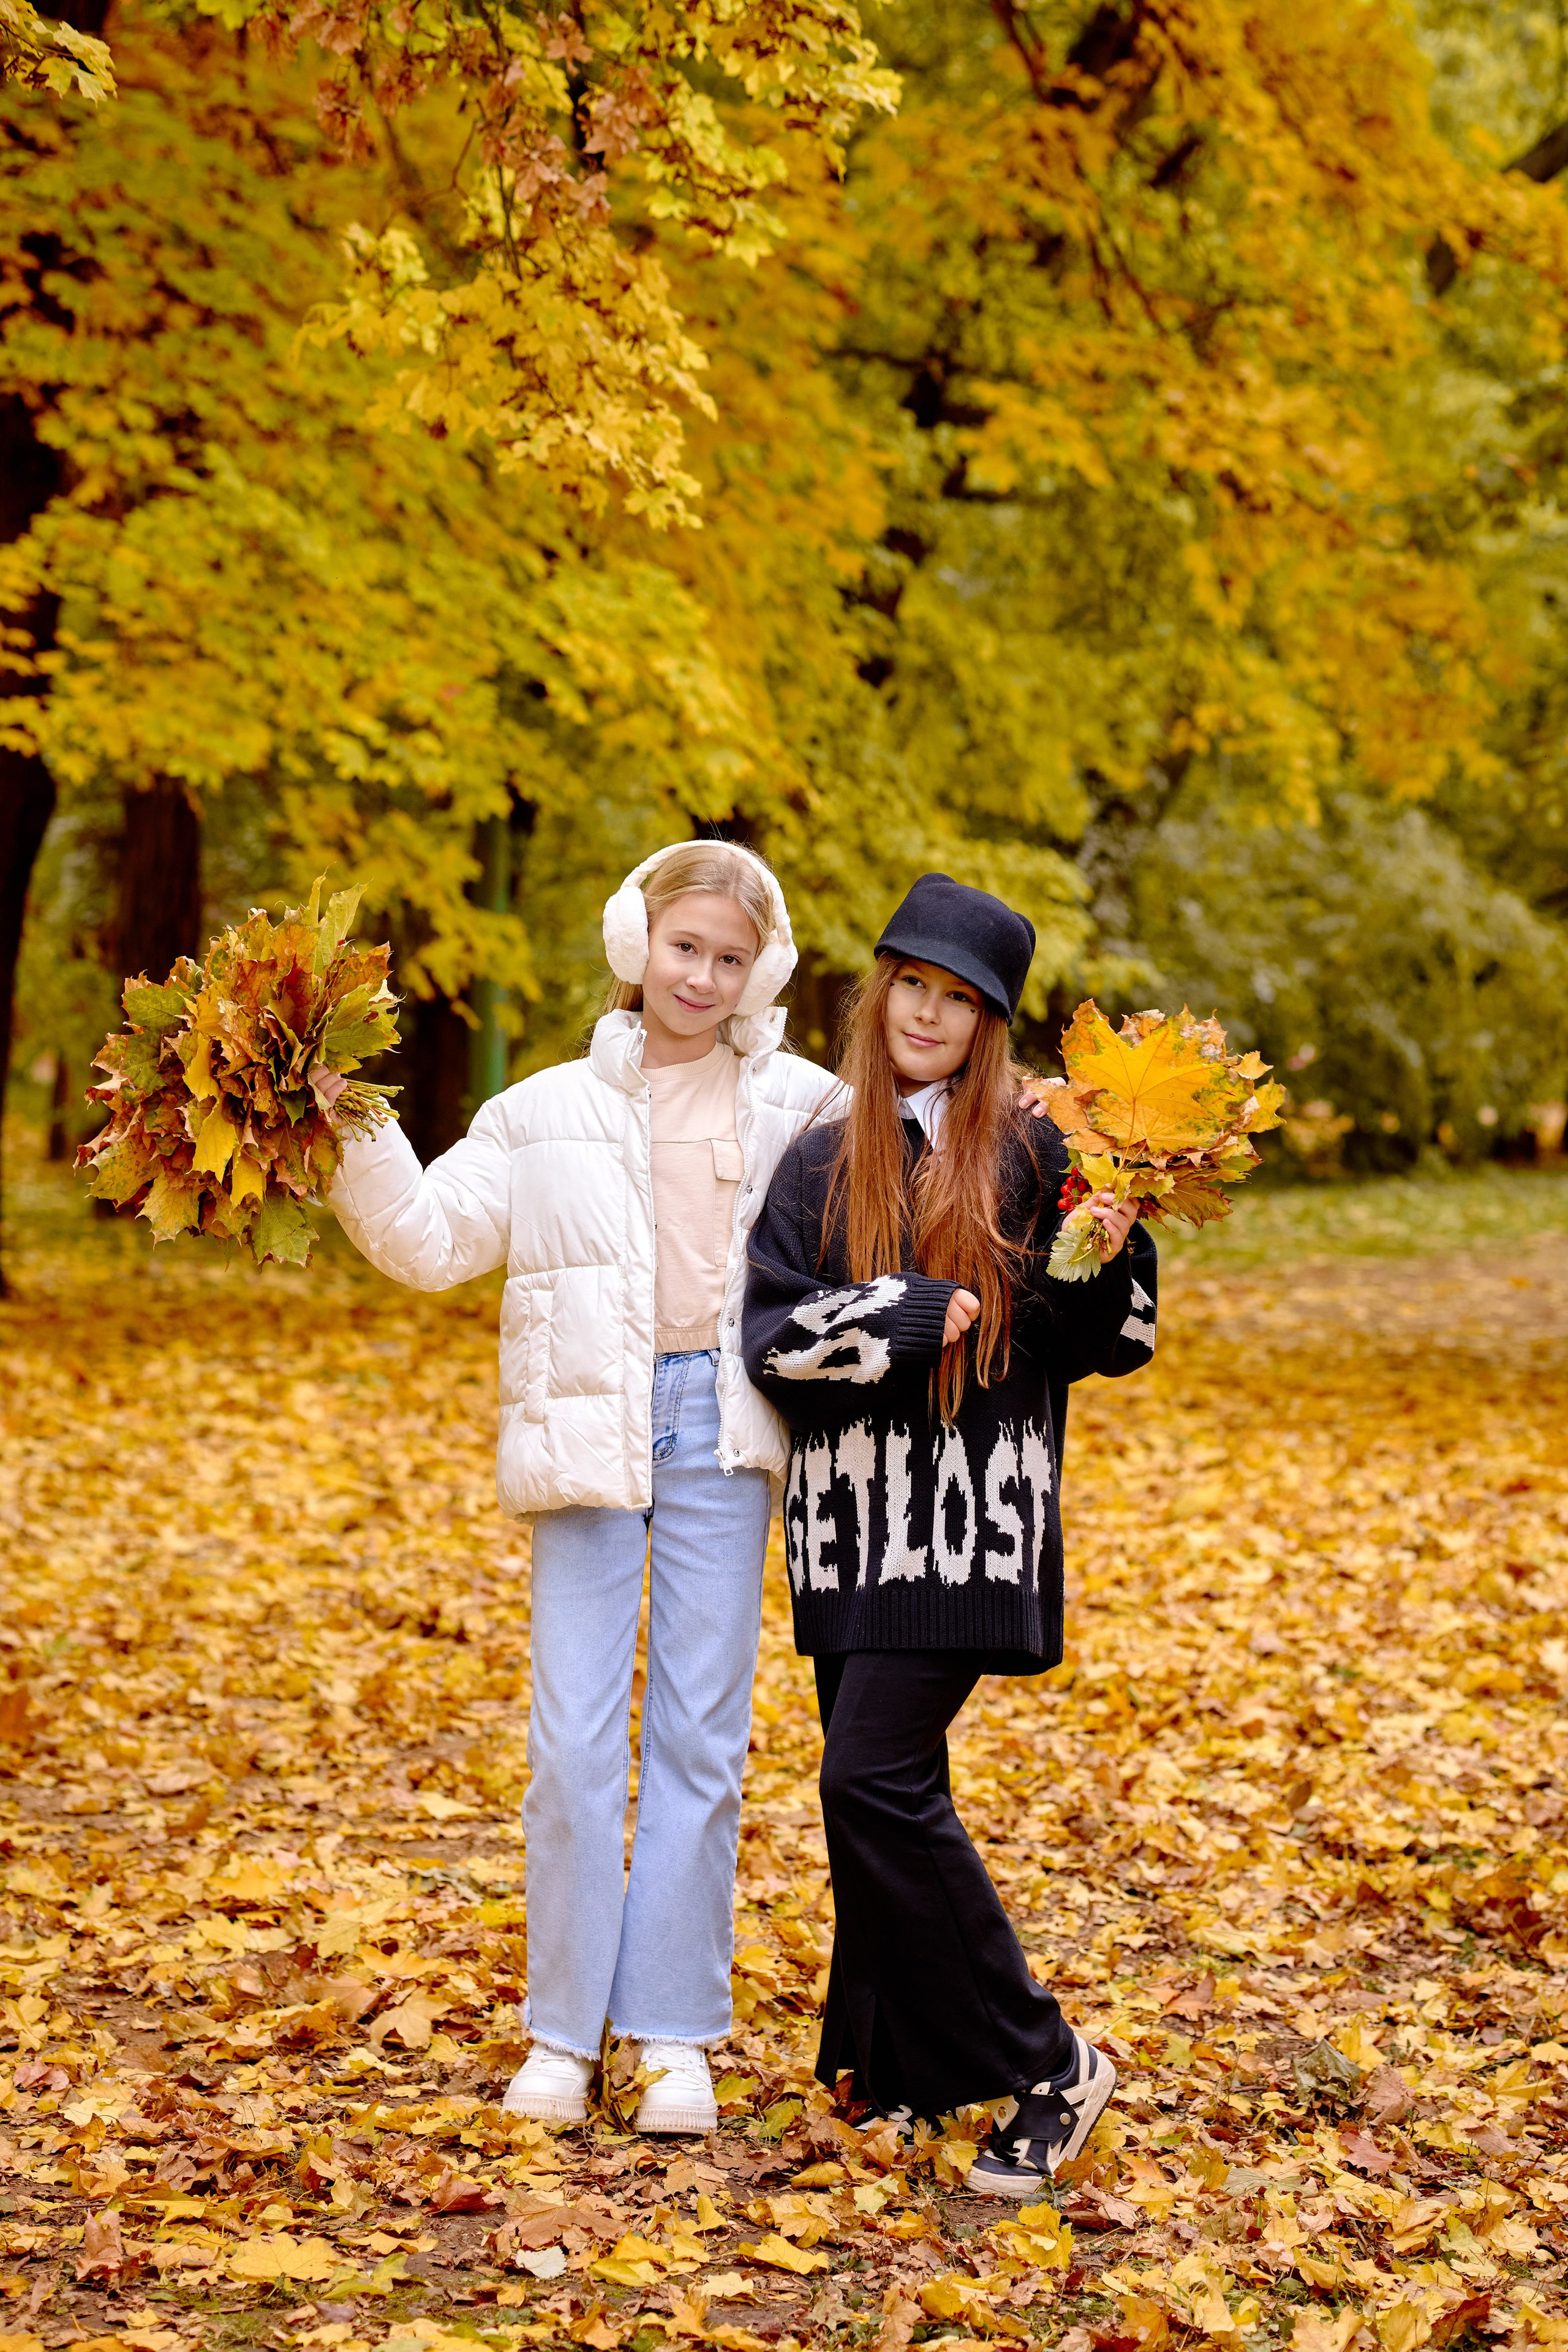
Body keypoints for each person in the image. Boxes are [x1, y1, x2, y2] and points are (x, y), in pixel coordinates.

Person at [330, 840, 839, 2134]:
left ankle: (668, 2035)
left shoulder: (807, 1106)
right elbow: (429, 1242)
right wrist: (347, 1120)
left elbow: (911, 1198)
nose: (702, 975)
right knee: (568, 1747)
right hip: (585, 1433)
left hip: (725, 1432)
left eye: (730, 958)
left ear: (759, 970)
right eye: (684, 948)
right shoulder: (537, 1109)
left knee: (698, 1742)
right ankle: (560, 2034)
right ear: (635, 945)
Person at [741, 873, 1159, 2196]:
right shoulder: (820, 1153)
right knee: (869, 1805)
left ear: (989, 1025)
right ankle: (880, 2075)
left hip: (969, 1527)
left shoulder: (1039, 1152)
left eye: (956, 999)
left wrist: (1114, 1233)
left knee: (868, 1782)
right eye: (909, 986)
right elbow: (765, 1341)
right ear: (880, 997)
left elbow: (1117, 1343)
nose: (926, 1012)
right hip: (843, 1535)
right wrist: (898, 1316)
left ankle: (1045, 2061)